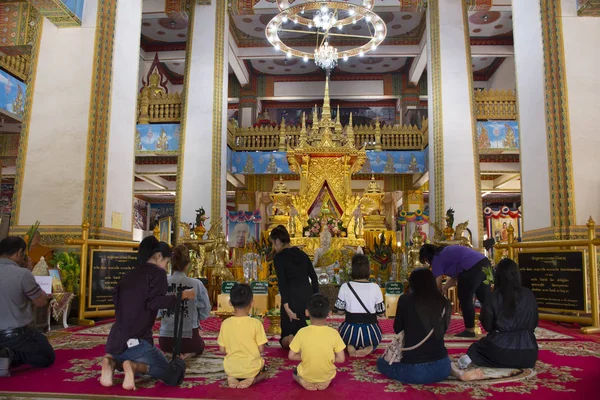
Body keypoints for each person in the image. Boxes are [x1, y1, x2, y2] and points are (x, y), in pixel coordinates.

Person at [101, 236, 195, 390]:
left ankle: (110, 362)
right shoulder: (157, 274)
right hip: (136, 343)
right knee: (169, 372)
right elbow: (154, 302)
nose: (166, 267)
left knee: (127, 356)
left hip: (114, 342)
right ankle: (133, 367)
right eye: (166, 262)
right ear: (158, 257)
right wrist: (182, 295)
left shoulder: (129, 275)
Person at [377, 268, 482, 384]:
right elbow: (442, 330)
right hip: (442, 367)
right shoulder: (444, 302)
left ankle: (455, 372)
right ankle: (456, 372)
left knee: (381, 363)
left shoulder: (405, 300)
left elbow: (398, 328)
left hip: (416, 371)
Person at [459, 259, 538, 370]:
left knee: (476, 348)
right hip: (529, 353)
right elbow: (534, 323)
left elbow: (488, 326)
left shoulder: (494, 296)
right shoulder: (528, 294)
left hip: (501, 351)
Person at [0, 236, 55, 377]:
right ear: (19, 253)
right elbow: (41, 301)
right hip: (15, 334)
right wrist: (29, 273)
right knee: (46, 357)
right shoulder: (22, 273)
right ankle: (11, 354)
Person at [419, 244, 491, 338]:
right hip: (485, 262)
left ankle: (469, 330)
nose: (428, 263)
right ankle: (497, 326)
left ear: (426, 257)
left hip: (473, 267)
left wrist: (434, 296)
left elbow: (437, 280)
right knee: (485, 298)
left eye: (426, 261)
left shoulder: (436, 258)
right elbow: (455, 277)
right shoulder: (445, 253)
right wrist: (444, 288)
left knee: (465, 297)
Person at [270, 225, 319, 349]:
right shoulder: (302, 254)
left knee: (286, 337)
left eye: (273, 243)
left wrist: (287, 308)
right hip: (307, 296)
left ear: (277, 241)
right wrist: (314, 298)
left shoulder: (279, 258)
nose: (273, 247)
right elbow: (314, 277)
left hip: (291, 298)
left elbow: (283, 283)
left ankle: (292, 340)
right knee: (305, 328)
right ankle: (304, 342)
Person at [159, 245, 211, 359]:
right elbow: (205, 312)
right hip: (190, 340)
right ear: (188, 265)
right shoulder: (197, 284)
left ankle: (173, 352)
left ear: (171, 263)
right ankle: (188, 353)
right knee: (200, 345)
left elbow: (157, 312)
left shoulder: (162, 282)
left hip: (165, 342)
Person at [289, 294, 346, 391]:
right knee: (331, 370)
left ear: (307, 312)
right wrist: (326, 357)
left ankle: (302, 380)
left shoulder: (301, 332)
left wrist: (305, 356)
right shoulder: (334, 333)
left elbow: (291, 356)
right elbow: (341, 359)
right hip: (326, 374)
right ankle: (326, 380)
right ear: (329, 313)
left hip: (306, 374)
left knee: (294, 373)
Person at [217, 284, 268, 389]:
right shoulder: (256, 323)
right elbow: (261, 349)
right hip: (251, 368)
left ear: (230, 302)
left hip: (231, 368)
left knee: (233, 367)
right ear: (252, 302)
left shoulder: (225, 323)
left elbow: (222, 350)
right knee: (264, 372)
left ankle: (231, 377)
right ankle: (251, 379)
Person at [335, 254, 385, 357]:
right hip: (371, 332)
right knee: (376, 337)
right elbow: (381, 314)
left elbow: (339, 312)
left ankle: (350, 346)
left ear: (352, 269)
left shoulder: (345, 286)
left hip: (349, 331)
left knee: (343, 333)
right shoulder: (375, 287)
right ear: (368, 269)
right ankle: (369, 347)